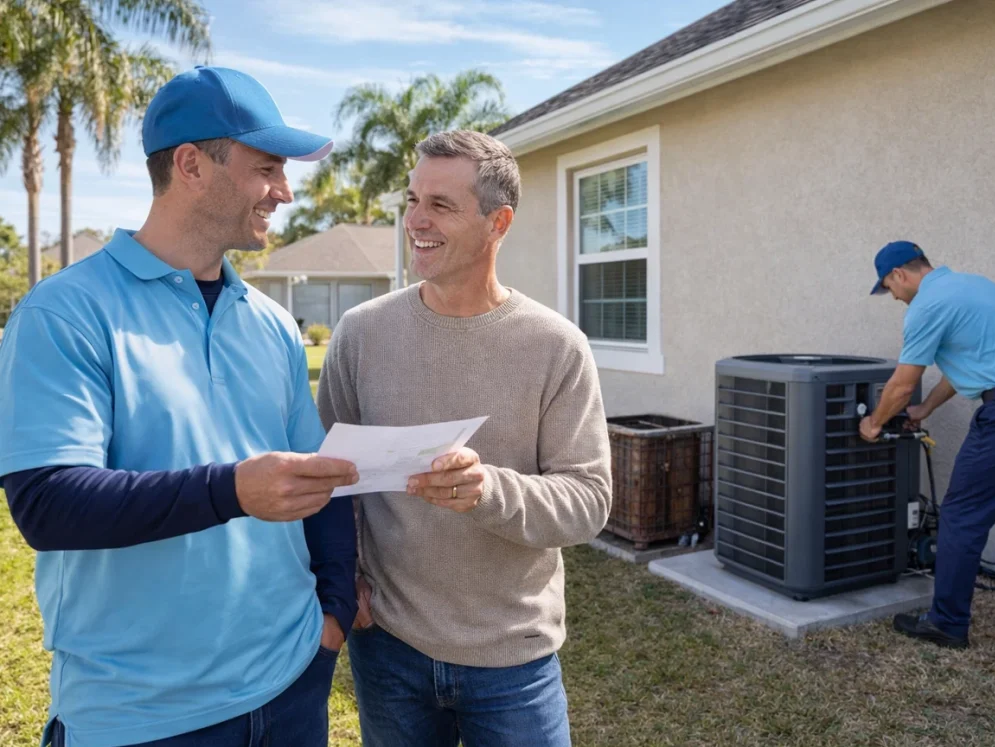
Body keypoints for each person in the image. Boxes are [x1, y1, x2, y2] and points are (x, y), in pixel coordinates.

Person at [0, 66, 361, 746]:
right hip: (141, 717)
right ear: (192, 164)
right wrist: (232, 489)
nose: (283, 192)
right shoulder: (64, 313)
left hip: (291, 687)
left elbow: (323, 479)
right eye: (267, 169)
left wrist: (332, 613)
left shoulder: (274, 326)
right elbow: (47, 503)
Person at [317, 129, 612, 746]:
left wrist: (489, 491)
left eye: (442, 206)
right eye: (412, 199)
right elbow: (327, 479)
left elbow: (588, 500)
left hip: (514, 659)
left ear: (497, 222)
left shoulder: (556, 347)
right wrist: (345, 580)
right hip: (389, 649)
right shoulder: (361, 334)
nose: (416, 221)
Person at [858, 240, 995, 649]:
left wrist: (875, 422)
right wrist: (925, 409)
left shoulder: (926, 306)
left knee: (961, 517)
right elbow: (969, 363)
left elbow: (901, 383)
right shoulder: (978, 287)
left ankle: (947, 623)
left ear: (900, 274)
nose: (893, 297)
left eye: (888, 287)